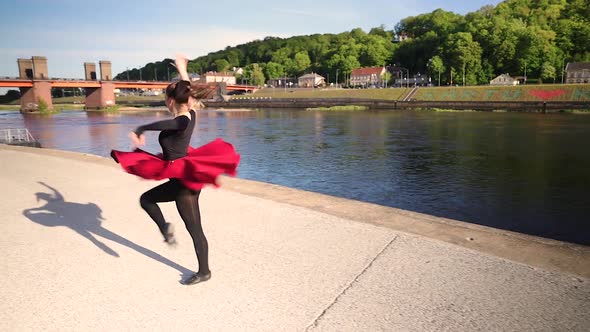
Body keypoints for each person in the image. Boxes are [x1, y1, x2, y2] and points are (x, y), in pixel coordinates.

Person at [111, 54, 240, 285]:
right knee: (147, 200)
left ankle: (204, 271)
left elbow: (168, 124)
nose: (164, 101)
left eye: (165, 98)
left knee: (194, 228)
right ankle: (166, 229)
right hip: (180, 176)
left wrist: (142, 127)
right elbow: (187, 92)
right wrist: (182, 70)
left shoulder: (182, 120)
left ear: (171, 100)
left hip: (184, 183)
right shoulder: (190, 112)